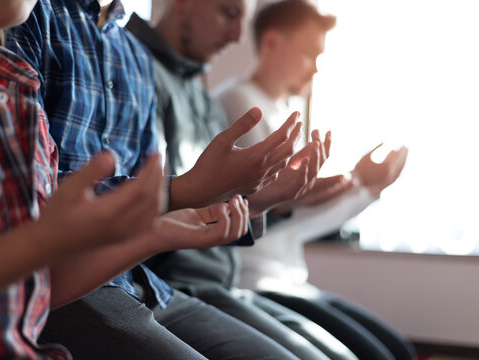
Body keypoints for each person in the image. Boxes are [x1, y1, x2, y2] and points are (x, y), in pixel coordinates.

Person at [5, 0, 318, 359]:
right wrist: (189, 192)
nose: (236, 37)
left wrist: (257, 196)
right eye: (228, 14)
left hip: (139, 277)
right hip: (67, 280)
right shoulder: (29, 16)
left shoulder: (136, 58)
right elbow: (30, 194)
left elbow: (154, 196)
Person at [0, 0, 237, 358]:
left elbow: (37, 283)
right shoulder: (34, 38)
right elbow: (36, 252)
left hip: (128, 282)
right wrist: (42, 242)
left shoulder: (20, 90)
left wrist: (153, 234)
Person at [124, 1, 374, 360]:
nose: (240, 35)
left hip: (220, 281)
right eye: (228, 13)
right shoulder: (136, 71)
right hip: (177, 283)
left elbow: (212, 206)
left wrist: (278, 198)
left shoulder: (202, 95)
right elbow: (148, 206)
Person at [215, 1, 414, 359]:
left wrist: (364, 189)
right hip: (254, 279)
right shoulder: (240, 104)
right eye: (309, 53)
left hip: (288, 278)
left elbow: (290, 216)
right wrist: (357, 188)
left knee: (397, 348)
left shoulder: (280, 112)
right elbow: (268, 216)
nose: (316, 67)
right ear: (272, 42)